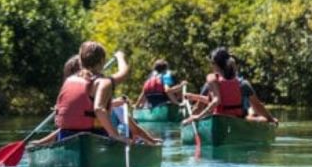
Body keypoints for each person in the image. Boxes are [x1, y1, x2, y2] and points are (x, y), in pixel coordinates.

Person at [32, 50, 160, 146]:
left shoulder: (74, 90)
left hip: (74, 139)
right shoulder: (103, 88)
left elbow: (62, 131)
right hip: (97, 139)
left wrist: (150, 140)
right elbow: (134, 129)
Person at [183, 47, 278, 125]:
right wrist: (271, 119)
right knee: (263, 120)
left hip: (219, 120)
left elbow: (199, 108)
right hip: (238, 120)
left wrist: (190, 119)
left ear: (215, 64)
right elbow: (257, 106)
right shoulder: (243, 84)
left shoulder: (210, 82)